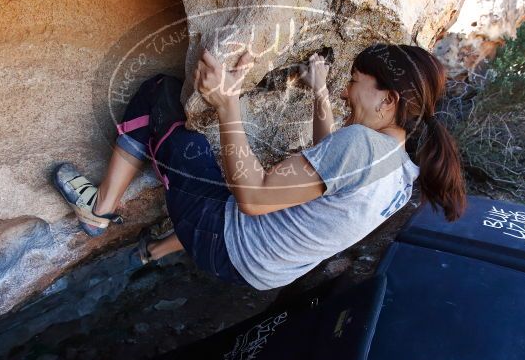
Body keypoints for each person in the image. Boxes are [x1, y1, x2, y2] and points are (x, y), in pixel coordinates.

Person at [54, 43, 466, 290]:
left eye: (355, 80)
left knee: (160, 98)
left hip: (225, 241)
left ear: (387, 100)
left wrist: (227, 101)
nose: (345, 88)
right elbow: (324, 169)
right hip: (263, 272)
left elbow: (252, 199)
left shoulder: (362, 145)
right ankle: (155, 250)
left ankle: (99, 211)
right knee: (265, 197)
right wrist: (319, 92)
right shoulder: (401, 174)